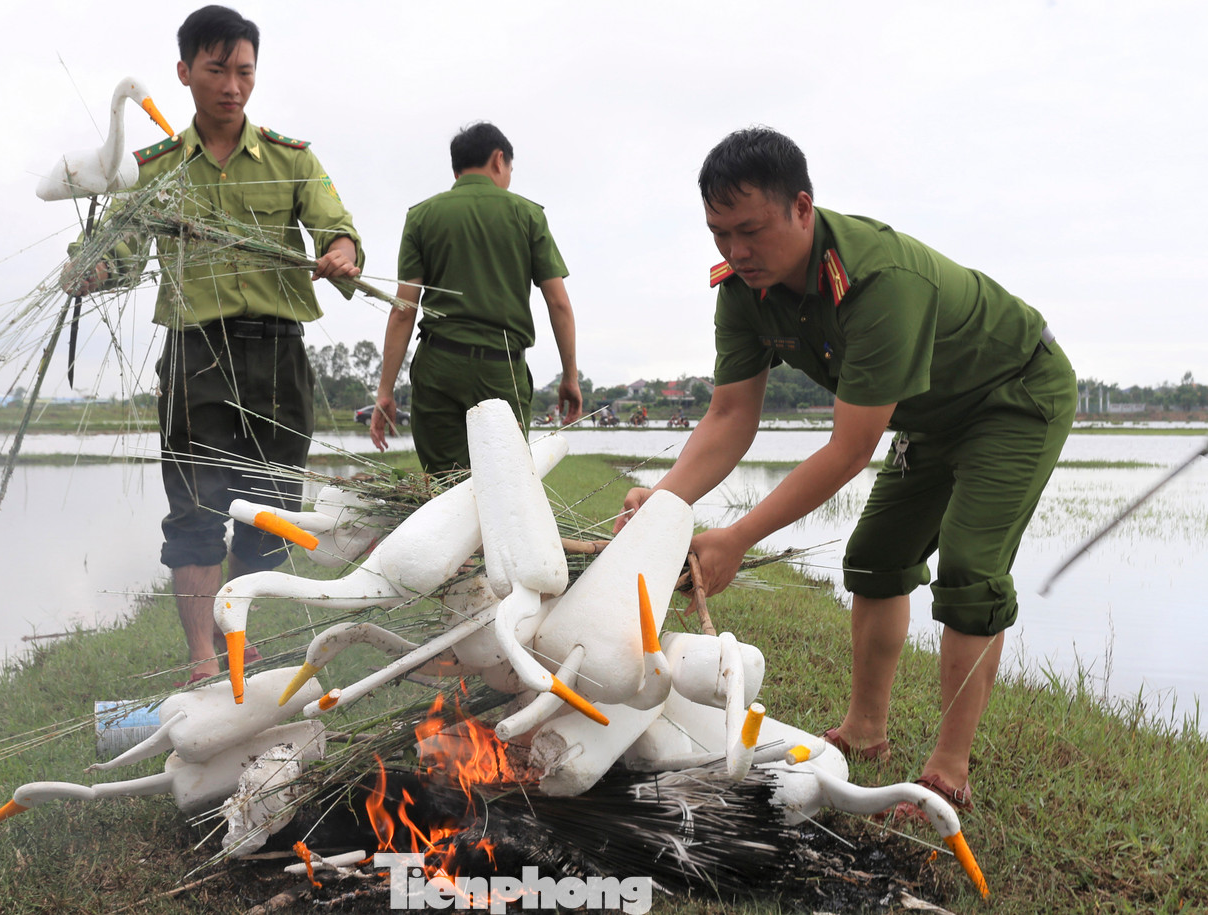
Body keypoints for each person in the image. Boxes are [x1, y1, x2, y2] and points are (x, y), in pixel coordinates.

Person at [618, 127, 1076, 811]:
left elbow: (850, 448)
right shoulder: (743, 290)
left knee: (970, 571)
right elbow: (729, 417)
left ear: (802, 208)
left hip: (1012, 394)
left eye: (751, 231)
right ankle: (865, 731)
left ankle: (948, 768)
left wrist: (736, 538)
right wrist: (661, 504)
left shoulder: (878, 282)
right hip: (929, 414)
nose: (736, 253)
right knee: (875, 558)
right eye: (719, 234)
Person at [64, 5, 363, 682]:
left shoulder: (293, 158)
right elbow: (122, 252)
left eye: (245, 71)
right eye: (217, 69)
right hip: (196, 357)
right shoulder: (155, 169)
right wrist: (93, 267)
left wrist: (340, 251)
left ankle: (239, 634)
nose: (233, 85)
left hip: (278, 357)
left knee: (269, 507)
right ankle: (203, 657)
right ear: (185, 72)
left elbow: (338, 229)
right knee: (195, 507)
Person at [368, 122, 582, 473]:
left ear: (456, 170)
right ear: (499, 160)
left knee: (443, 489)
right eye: (510, 168)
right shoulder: (528, 216)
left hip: (439, 369)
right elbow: (558, 303)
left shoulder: (421, 217)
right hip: (502, 371)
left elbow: (403, 310)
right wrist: (569, 376)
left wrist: (385, 391)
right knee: (504, 490)